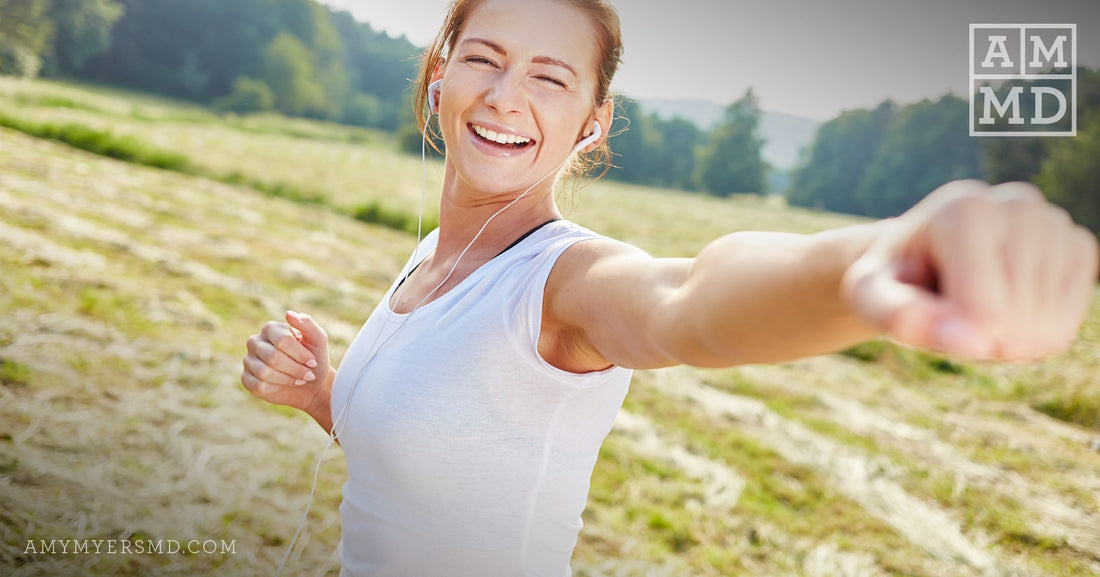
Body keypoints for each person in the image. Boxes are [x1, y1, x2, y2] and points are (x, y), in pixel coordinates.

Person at [240, 0, 1100, 575]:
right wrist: (325, 392)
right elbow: (442, 453)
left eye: (550, 76)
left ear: (593, 121)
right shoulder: (434, 253)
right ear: (440, 75)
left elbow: (686, 301)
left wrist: (867, 262)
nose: (506, 97)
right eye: (485, 59)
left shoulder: (566, 281)